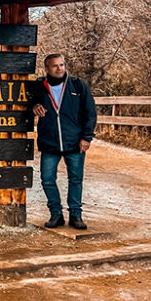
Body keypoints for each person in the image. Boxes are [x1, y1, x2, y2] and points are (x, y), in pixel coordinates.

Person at [32, 54, 97, 230]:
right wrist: (34, 105)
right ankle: (56, 214)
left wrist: (86, 137)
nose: (59, 68)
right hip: (49, 143)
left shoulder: (78, 85)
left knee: (75, 179)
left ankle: (76, 215)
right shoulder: (39, 86)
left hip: (75, 143)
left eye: (61, 65)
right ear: (47, 69)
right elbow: (28, 101)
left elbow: (90, 113)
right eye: (55, 66)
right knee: (47, 179)